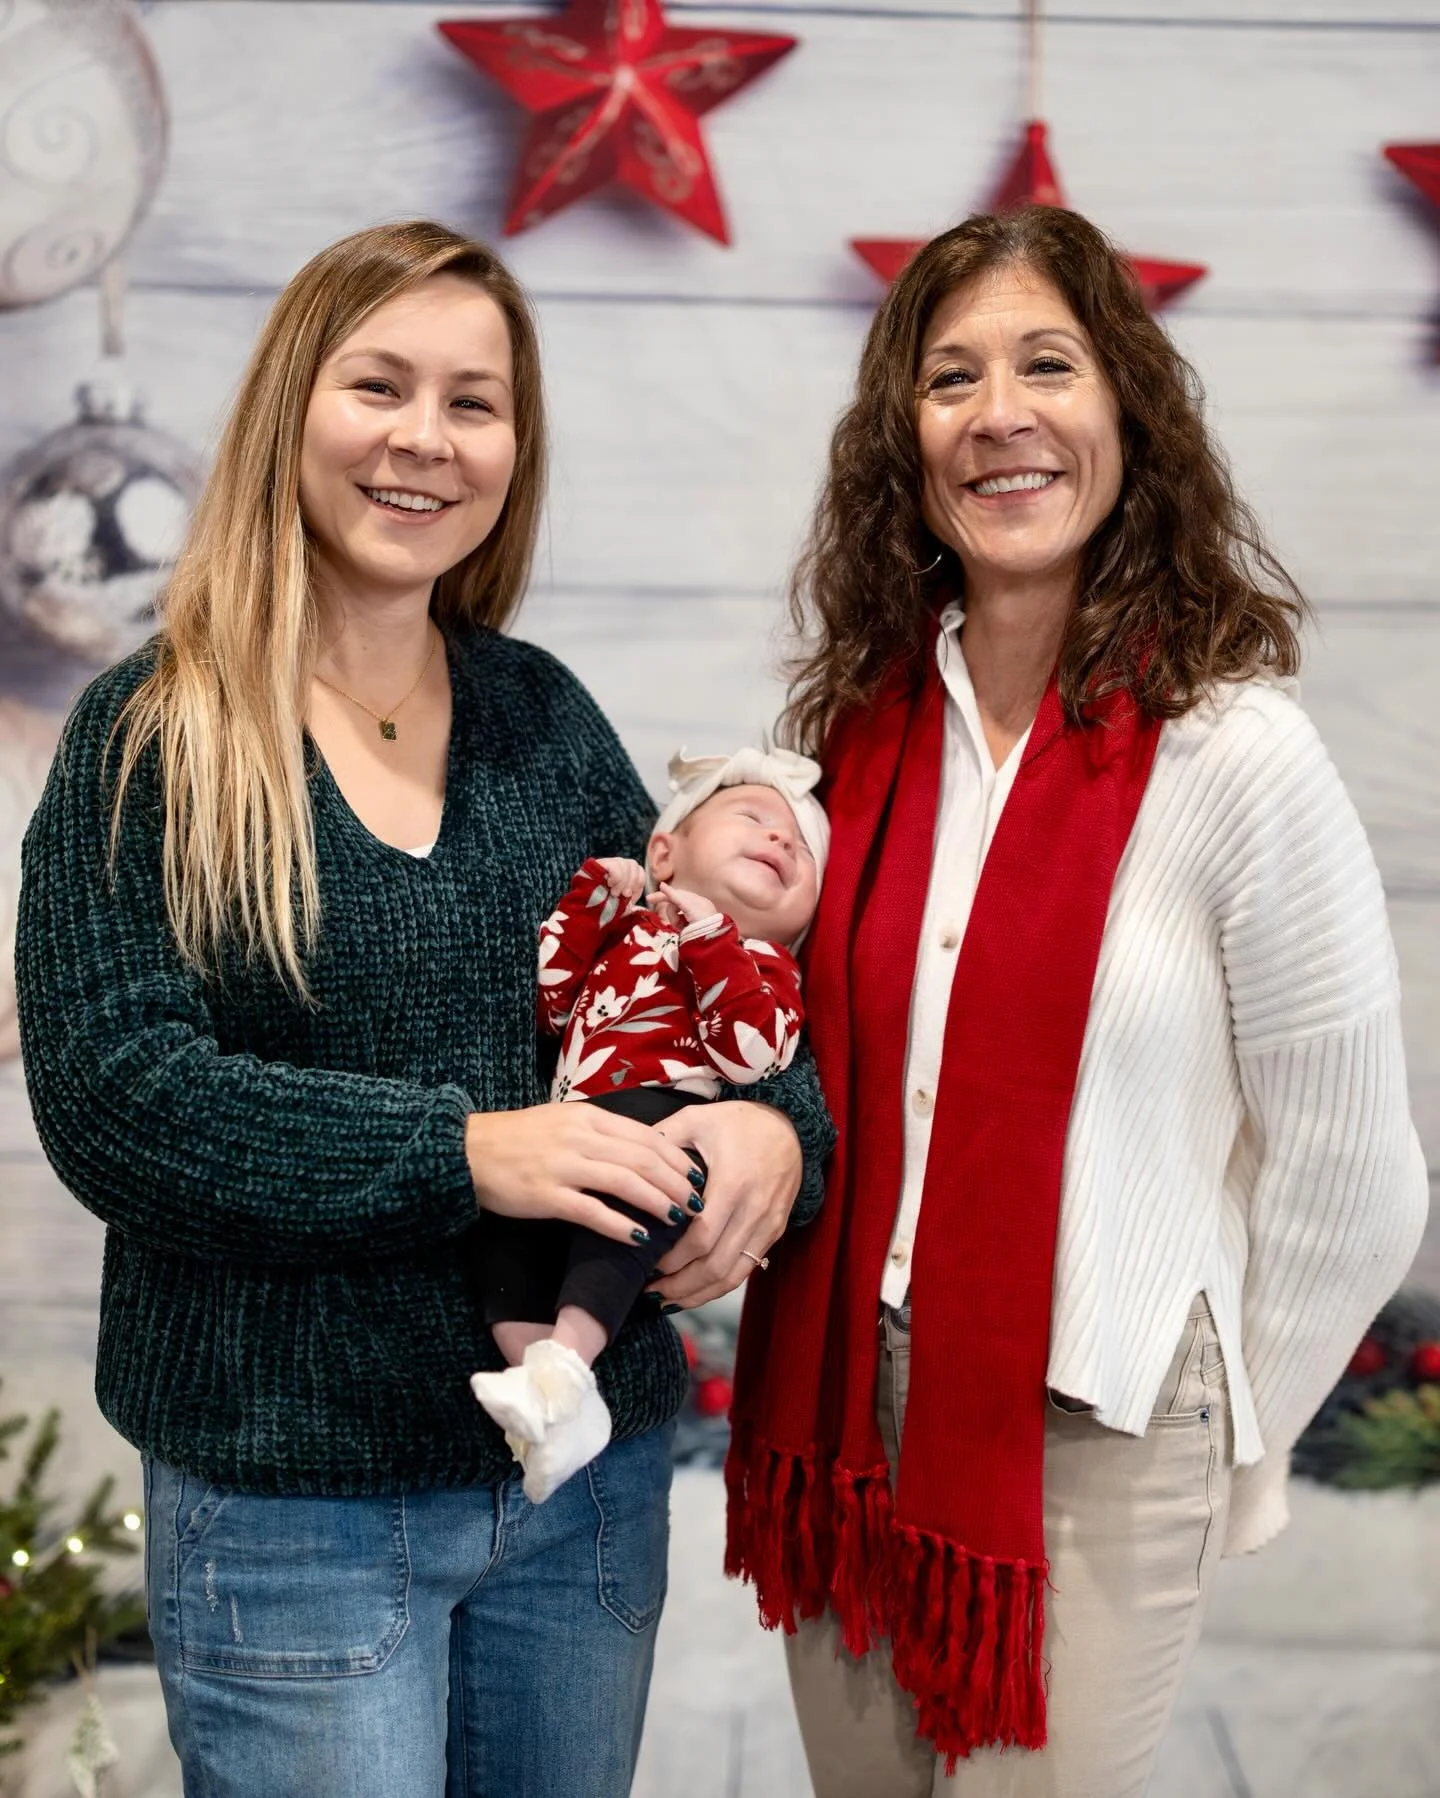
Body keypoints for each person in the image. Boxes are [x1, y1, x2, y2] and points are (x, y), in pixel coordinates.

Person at [15, 221, 832, 1798]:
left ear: (512, 451)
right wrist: (470, 1151)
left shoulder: (538, 714)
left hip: (579, 1494)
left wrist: (767, 1129)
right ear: (288, 414)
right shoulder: (157, 735)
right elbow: (119, 1094)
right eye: (378, 384)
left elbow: (700, 977)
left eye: (475, 401)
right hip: (293, 1502)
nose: (424, 438)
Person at [723, 204, 1429, 1798]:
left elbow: (1354, 1174)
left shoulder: (1235, 755)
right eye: (951, 377)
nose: (1002, 415)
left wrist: (1224, 1421)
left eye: (1050, 363)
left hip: (1101, 1424)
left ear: (1130, 413)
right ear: (906, 440)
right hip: (846, 1401)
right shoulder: (857, 735)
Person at [471, 747, 827, 1503]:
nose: (779, 841)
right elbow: (551, 1004)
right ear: (665, 851)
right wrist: (591, 906)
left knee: (619, 1205)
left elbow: (750, 1056)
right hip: (568, 1131)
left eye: (799, 848)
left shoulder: (769, 966)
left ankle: (569, 1360)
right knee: (504, 1243)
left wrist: (710, 942)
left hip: (666, 1126)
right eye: (754, 819)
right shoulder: (624, 933)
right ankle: (547, 1401)